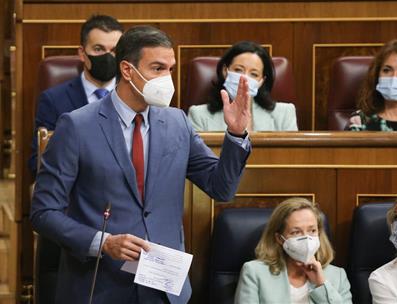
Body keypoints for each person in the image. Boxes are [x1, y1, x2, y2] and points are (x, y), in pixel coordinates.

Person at [30, 25, 252, 304]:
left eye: (170, 69)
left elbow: (221, 189)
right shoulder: (76, 126)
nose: (167, 79)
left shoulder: (177, 123)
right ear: (127, 70)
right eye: (157, 68)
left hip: (163, 288)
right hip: (99, 286)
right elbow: (43, 212)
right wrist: (103, 242)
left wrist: (235, 135)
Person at [28, 14, 124, 176]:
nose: (108, 57)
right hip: (75, 190)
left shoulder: (134, 97)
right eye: (98, 49)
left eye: (114, 50)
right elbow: (37, 161)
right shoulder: (53, 100)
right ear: (82, 53)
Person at [235, 198, 352, 304]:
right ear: (280, 239)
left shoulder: (338, 276)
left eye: (312, 230)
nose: (306, 238)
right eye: (296, 232)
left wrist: (321, 284)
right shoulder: (255, 272)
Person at [188, 41, 298, 132]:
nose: (244, 78)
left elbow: (292, 157)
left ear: (261, 81)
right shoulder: (199, 115)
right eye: (238, 70)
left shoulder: (285, 114)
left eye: (254, 74)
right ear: (225, 71)